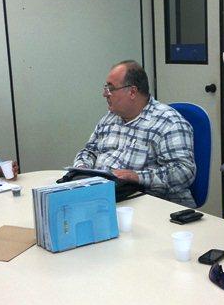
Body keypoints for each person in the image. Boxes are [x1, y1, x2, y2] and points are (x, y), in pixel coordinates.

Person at [73, 60, 196, 207]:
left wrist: (137, 177)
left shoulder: (168, 122)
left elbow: (184, 172)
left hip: (154, 205)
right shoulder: (110, 118)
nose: (105, 94)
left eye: (110, 89)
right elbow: (90, 150)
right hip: (108, 198)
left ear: (132, 92)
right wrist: (82, 168)